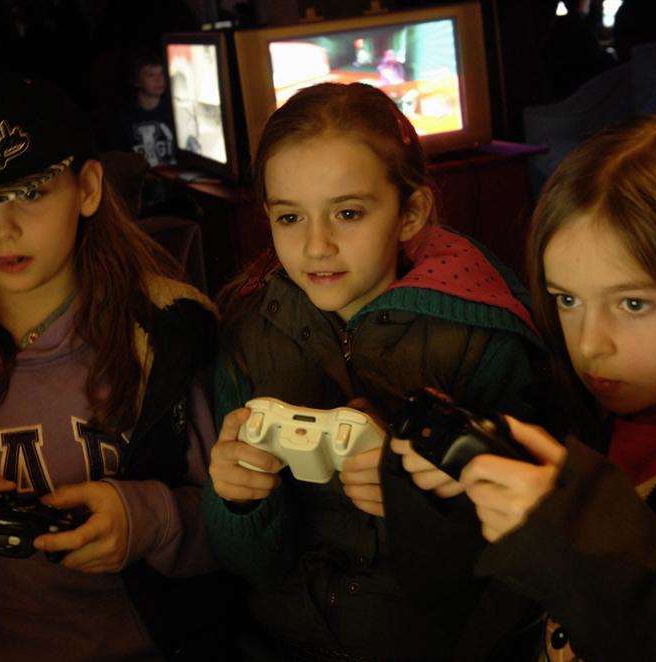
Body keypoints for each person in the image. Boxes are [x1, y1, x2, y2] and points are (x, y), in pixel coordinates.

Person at [0, 71, 235, 661]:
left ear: (87, 189)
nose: (2, 228)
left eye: (29, 193)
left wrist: (146, 518)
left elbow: (238, 521)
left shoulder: (167, 337)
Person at [395, 111, 656, 660]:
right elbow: (458, 613)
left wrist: (579, 543)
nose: (590, 344)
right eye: (567, 299)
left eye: (633, 303)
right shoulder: (559, 414)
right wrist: (446, 507)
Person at [201, 82, 545, 661]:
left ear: (411, 212)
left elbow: (517, 566)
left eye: (349, 212)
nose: (317, 246)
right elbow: (249, 568)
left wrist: (417, 503)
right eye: (289, 217)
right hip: (285, 639)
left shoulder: (484, 340)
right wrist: (238, 502)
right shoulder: (247, 334)